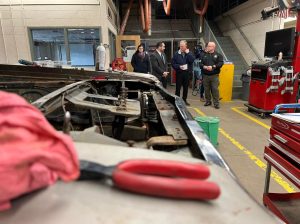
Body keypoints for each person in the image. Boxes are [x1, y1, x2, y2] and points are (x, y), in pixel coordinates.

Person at [200, 41, 224, 109]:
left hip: (214, 76)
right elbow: (200, 64)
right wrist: (204, 67)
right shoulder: (204, 55)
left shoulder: (218, 55)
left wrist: (213, 67)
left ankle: (216, 103)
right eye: (207, 46)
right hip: (205, 75)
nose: (208, 47)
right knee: (206, 89)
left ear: (213, 47)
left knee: (215, 89)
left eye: (209, 46)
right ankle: (208, 101)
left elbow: (220, 64)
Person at [171, 40, 195, 106]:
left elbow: (192, 60)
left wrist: (188, 53)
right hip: (179, 73)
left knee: (185, 88)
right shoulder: (176, 54)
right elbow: (173, 64)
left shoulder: (189, 53)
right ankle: (177, 100)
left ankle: (184, 100)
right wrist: (179, 66)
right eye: (180, 46)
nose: (181, 47)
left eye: (182, 46)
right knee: (178, 88)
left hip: (187, 74)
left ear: (186, 46)